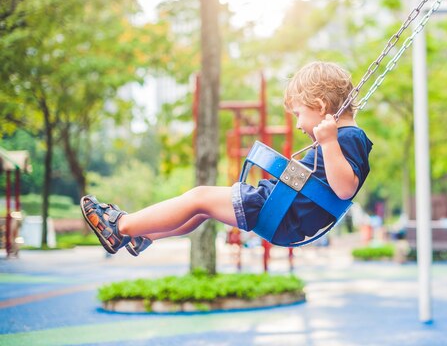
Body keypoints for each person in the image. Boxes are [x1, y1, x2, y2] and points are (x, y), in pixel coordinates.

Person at [80, 61, 373, 255]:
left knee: (199, 197)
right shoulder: (344, 139)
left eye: (299, 114)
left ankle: (119, 226)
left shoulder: (345, 138)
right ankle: (146, 234)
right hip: (283, 211)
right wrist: (328, 143)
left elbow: (345, 188)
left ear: (320, 106)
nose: (298, 125)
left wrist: (329, 142)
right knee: (202, 209)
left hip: (279, 211)